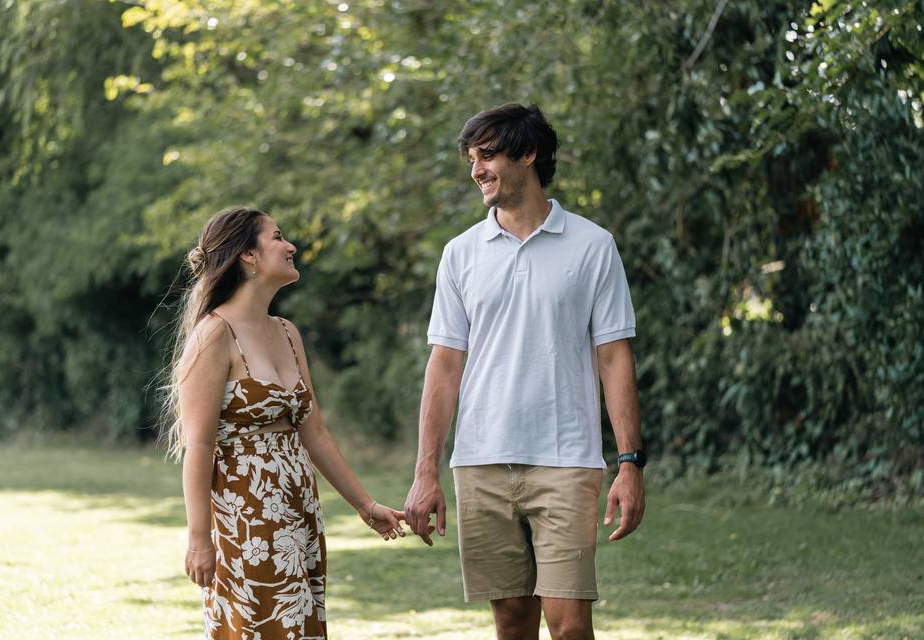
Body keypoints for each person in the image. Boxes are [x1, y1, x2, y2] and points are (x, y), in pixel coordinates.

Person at [404, 103, 646, 640]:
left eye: (487, 155)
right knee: (511, 624)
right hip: (481, 465)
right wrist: (426, 472)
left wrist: (630, 462)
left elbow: (614, 357)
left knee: (568, 625)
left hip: (565, 461)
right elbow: (444, 367)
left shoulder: (592, 245)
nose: (477, 171)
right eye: (472, 159)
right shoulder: (460, 254)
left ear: (528, 153)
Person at [162, 207, 406, 640]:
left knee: (300, 627)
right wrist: (199, 538)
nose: (290, 245)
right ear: (248, 256)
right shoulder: (214, 335)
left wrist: (366, 507)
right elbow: (197, 445)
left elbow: (315, 433)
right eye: (277, 237)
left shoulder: (288, 333)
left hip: (299, 511)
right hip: (246, 516)